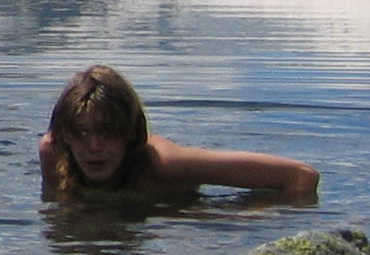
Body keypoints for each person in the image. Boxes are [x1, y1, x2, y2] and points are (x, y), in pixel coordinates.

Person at [38, 65, 318, 201]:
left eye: (108, 132)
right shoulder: (53, 152)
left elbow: (301, 176)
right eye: (82, 132)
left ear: (130, 134)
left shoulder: (164, 164)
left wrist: (240, 224)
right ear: (65, 135)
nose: (94, 146)